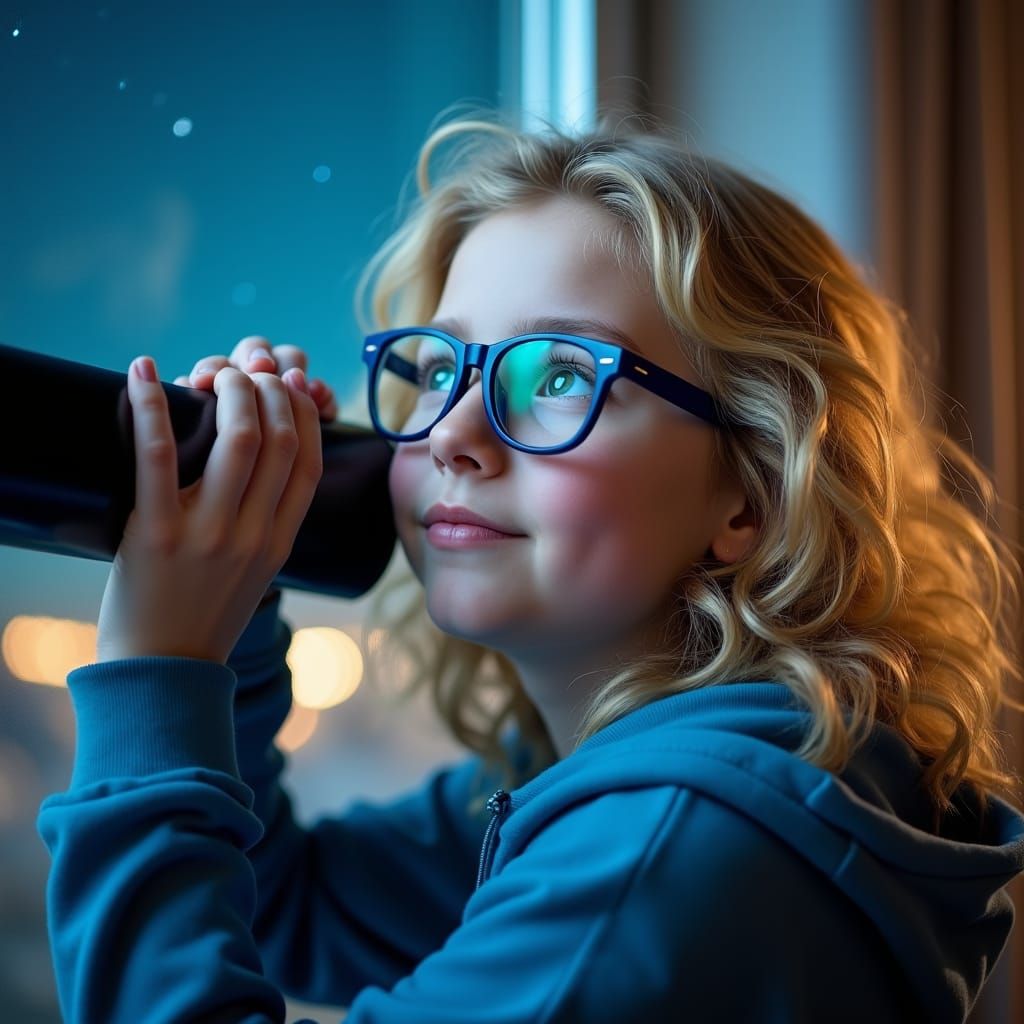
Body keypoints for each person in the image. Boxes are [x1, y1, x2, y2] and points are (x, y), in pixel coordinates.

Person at [38, 115, 1024, 1023]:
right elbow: (285, 903)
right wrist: (237, 589)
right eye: (436, 371)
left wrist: (157, 667)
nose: (455, 433)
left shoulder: (667, 852)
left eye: (557, 375)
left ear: (754, 492)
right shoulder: (622, 783)